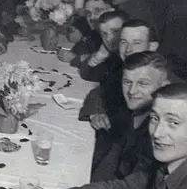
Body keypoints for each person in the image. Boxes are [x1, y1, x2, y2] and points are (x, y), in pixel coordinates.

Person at [80, 19, 160, 170]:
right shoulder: (126, 70)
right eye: (124, 42)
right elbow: (98, 92)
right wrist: (96, 112)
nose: (128, 49)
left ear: (152, 46)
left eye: (136, 43)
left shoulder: (161, 83)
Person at [73, 83, 187, 189]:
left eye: (174, 122)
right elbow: (124, 186)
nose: (157, 133)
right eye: (155, 118)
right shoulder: (163, 168)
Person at [90, 51, 170, 182]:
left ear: (164, 87)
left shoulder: (160, 134)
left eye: (143, 83)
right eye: (127, 82)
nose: (132, 91)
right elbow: (110, 163)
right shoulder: (132, 114)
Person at [79, 10, 129, 82]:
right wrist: (99, 56)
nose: (108, 39)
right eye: (104, 34)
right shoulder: (114, 55)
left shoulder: (132, 55)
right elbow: (86, 74)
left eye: (115, 31)